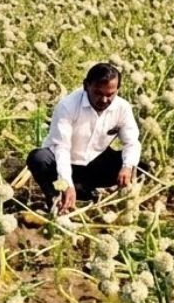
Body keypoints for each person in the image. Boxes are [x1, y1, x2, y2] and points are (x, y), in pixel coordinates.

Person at [27, 62, 141, 214]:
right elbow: (62, 148)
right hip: (62, 164)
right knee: (38, 158)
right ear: (86, 85)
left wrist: (127, 167)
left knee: (139, 167)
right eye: (98, 93)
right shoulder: (67, 106)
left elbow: (132, 142)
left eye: (110, 95)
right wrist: (67, 183)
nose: (104, 100)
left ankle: (85, 190)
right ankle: (57, 200)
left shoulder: (122, 108)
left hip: (95, 163)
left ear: (117, 90)